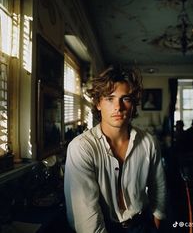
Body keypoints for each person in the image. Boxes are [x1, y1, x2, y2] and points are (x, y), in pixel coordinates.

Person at [64, 65, 166, 233]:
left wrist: (157, 219)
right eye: (110, 98)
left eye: (125, 98)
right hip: (104, 227)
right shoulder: (81, 147)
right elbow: (87, 217)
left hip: (142, 224)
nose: (118, 107)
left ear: (133, 104)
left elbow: (158, 185)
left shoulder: (149, 142)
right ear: (98, 103)